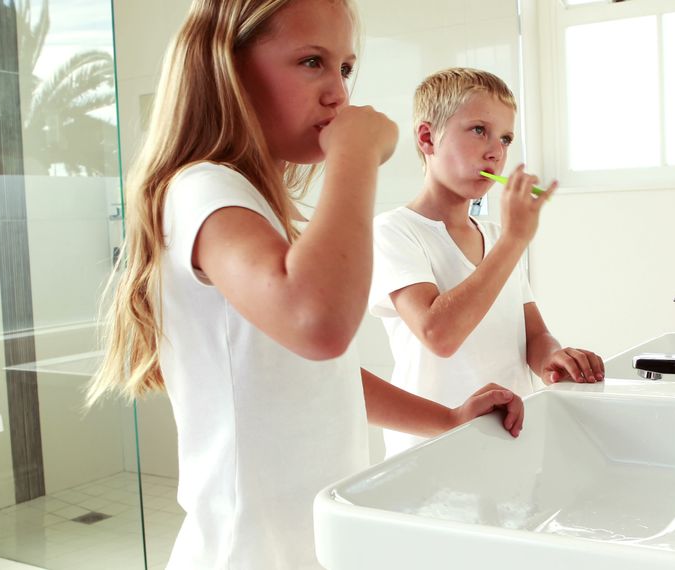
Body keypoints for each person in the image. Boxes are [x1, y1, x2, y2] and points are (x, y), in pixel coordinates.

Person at [84, 4, 525, 569]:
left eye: (345, 68)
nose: (338, 93)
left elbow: (320, 372)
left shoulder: (251, 207)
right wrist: (357, 156)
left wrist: (447, 419)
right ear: (229, 69)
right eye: (312, 61)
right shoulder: (203, 189)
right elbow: (320, 325)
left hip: (302, 544)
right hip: (249, 554)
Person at [369, 68, 604, 457]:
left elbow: (533, 335)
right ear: (427, 138)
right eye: (479, 129)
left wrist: (554, 359)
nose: (496, 151)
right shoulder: (395, 231)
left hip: (508, 436)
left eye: (506, 138)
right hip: (432, 451)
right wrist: (515, 240)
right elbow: (438, 334)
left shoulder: (497, 236)